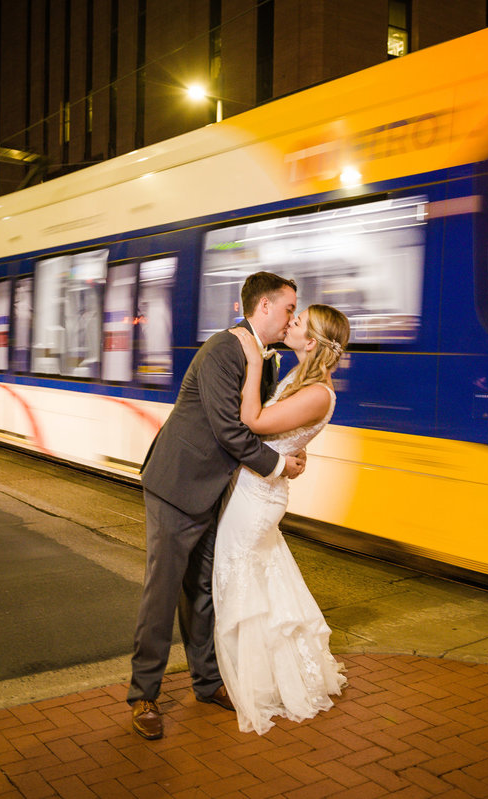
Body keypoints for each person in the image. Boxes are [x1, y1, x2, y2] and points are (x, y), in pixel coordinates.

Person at [128, 271, 306, 740]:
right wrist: (279, 465)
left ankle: (206, 683)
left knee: (202, 591)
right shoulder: (223, 350)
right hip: (177, 485)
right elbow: (232, 432)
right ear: (263, 307)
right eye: (289, 308)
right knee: (163, 591)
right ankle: (143, 693)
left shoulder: (261, 359)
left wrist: (288, 445)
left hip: (215, 491)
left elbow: (259, 421)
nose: (292, 317)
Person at [215, 304, 351, 735]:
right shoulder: (302, 380)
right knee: (261, 582)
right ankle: (266, 673)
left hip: (258, 497)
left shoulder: (317, 392)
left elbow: (253, 420)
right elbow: (281, 432)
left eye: (297, 322)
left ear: (311, 342)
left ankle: (257, 681)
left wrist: (254, 360)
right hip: (256, 487)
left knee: (239, 580)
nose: (289, 324)